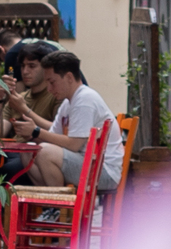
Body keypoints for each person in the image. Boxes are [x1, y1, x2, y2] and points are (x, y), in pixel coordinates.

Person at [15, 49, 124, 191]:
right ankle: (50, 202)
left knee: (45, 152)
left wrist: (36, 131)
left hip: (104, 172)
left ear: (69, 77)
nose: (48, 88)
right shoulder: (68, 102)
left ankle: (60, 207)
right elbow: (52, 137)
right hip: (88, 163)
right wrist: (29, 134)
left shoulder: (85, 99)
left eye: (52, 82)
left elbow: (74, 145)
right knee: (28, 151)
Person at [3, 39, 61, 123]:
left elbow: (59, 132)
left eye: (32, 66)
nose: (25, 71)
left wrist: (24, 109)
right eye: (23, 66)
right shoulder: (19, 98)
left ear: (46, 68)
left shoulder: (57, 96)